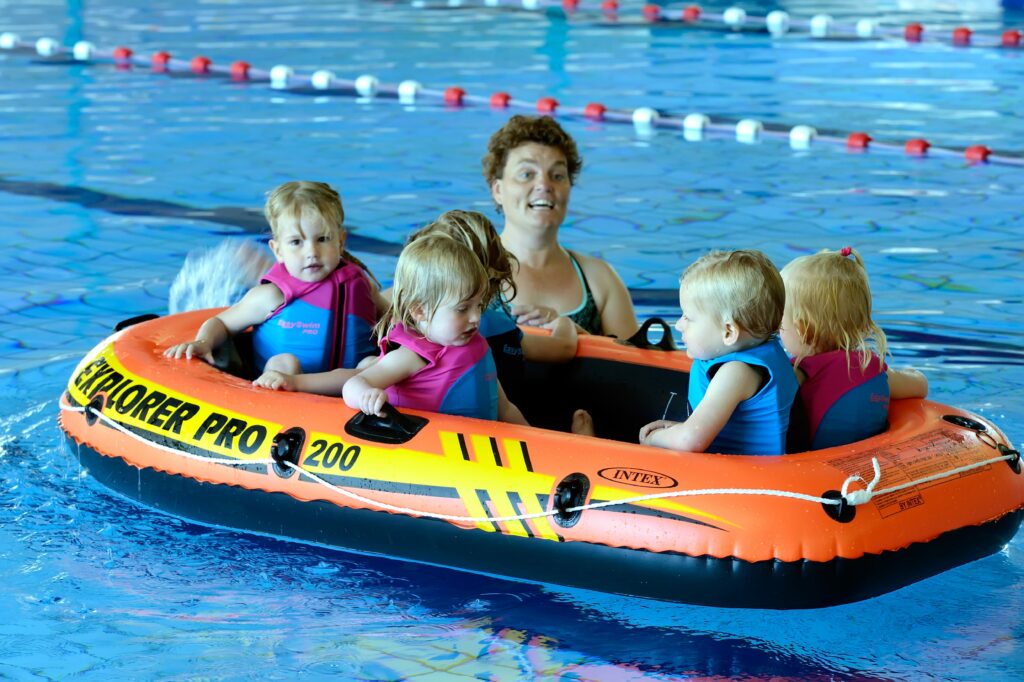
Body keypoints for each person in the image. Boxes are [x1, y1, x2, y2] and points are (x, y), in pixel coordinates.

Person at [576, 250, 797, 455]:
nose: (679, 325)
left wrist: (656, 439)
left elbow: (690, 441)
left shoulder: (736, 372)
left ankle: (588, 451)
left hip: (733, 480)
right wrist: (679, 428)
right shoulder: (769, 353)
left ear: (728, 331)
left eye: (688, 318)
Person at [164, 181, 380, 389]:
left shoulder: (359, 284)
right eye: (296, 242)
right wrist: (204, 342)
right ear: (277, 250)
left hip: (352, 389)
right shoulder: (270, 296)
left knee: (373, 364)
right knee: (284, 362)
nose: (312, 252)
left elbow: (389, 314)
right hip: (283, 386)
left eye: (322, 239)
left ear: (340, 241)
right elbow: (222, 322)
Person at [341, 235, 527, 424]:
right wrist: (366, 396)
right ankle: (368, 362)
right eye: (462, 309)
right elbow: (352, 385)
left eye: (479, 305)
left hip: (475, 445)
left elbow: (504, 409)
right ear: (420, 310)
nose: (476, 317)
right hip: (430, 448)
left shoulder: (476, 347)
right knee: (369, 365)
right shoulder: (412, 357)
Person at [483, 115, 638, 339]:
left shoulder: (599, 280)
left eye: (557, 175)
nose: (544, 185)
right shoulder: (471, 271)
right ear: (498, 190)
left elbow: (638, 369)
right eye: (527, 174)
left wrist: (580, 337)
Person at [407, 209, 578, 407]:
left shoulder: (410, 332)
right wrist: (564, 322)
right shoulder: (498, 328)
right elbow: (564, 348)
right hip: (506, 425)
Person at [780, 247, 929, 451]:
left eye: (780, 324)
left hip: (812, 472)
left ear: (803, 329)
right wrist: (915, 374)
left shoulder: (797, 374)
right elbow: (920, 385)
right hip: (869, 466)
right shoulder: (871, 367)